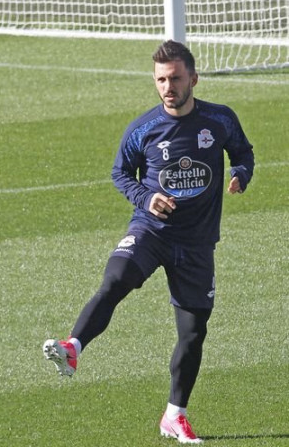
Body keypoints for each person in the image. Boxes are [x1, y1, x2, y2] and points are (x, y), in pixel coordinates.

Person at [42, 40, 254, 444]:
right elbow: (120, 173)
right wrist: (145, 196)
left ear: (193, 77)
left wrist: (241, 173)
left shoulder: (219, 120)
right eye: (160, 79)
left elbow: (243, 153)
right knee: (116, 277)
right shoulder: (143, 129)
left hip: (196, 244)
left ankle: (175, 415)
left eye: (175, 78)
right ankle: (73, 347)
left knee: (193, 332)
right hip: (151, 231)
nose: (167, 87)